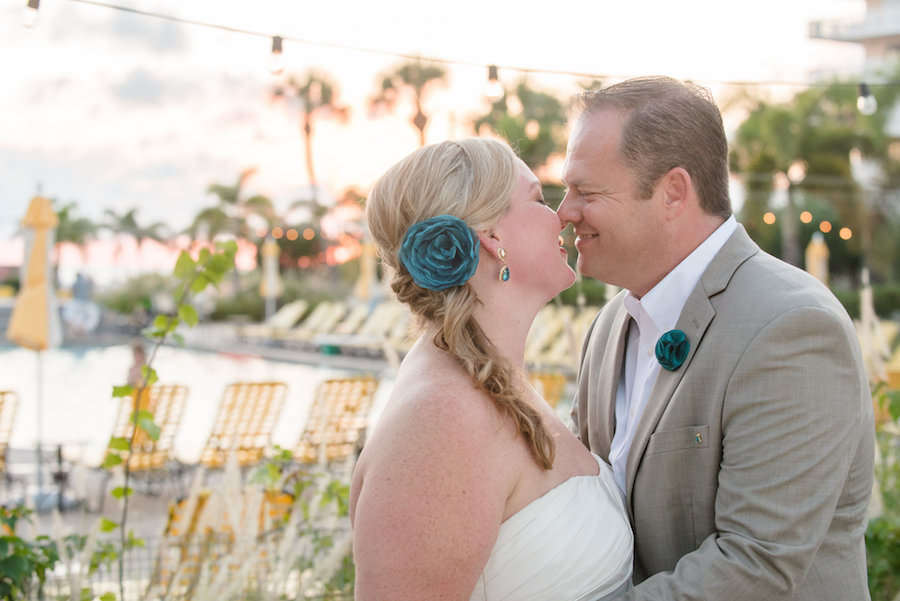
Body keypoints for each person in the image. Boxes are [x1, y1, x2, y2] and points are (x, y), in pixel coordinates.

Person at [559, 76, 874, 600]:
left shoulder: (792, 327)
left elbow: (755, 564)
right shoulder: (613, 323)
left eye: (586, 192)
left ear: (674, 192)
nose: (564, 212)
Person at [350, 138, 633, 601]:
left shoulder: (492, 385)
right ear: (491, 237)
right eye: (539, 199)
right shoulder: (443, 419)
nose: (561, 215)